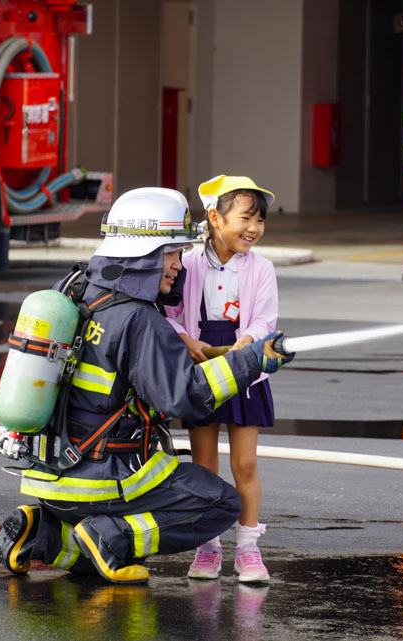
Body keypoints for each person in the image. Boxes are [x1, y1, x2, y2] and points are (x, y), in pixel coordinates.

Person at [0, 187, 293, 584]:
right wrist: (252, 360)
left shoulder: (78, 289)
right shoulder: (138, 320)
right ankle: (113, 534)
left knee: (89, 550)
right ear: (145, 253)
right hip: (104, 477)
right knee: (220, 502)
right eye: (171, 254)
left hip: (51, 479)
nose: (178, 267)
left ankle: (43, 533)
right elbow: (185, 398)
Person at [166, 175, 278, 583]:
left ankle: (248, 549)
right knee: (205, 464)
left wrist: (247, 341)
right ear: (215, 217)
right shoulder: (189, 262)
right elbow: (169, 312)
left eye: (260, 220)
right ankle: (208, 547)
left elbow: (265, 318)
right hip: (202, 369)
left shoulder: (262, 268)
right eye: (246, 218)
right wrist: (185, 339)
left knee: (245, 463)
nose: (254, 228)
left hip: (244, 366)